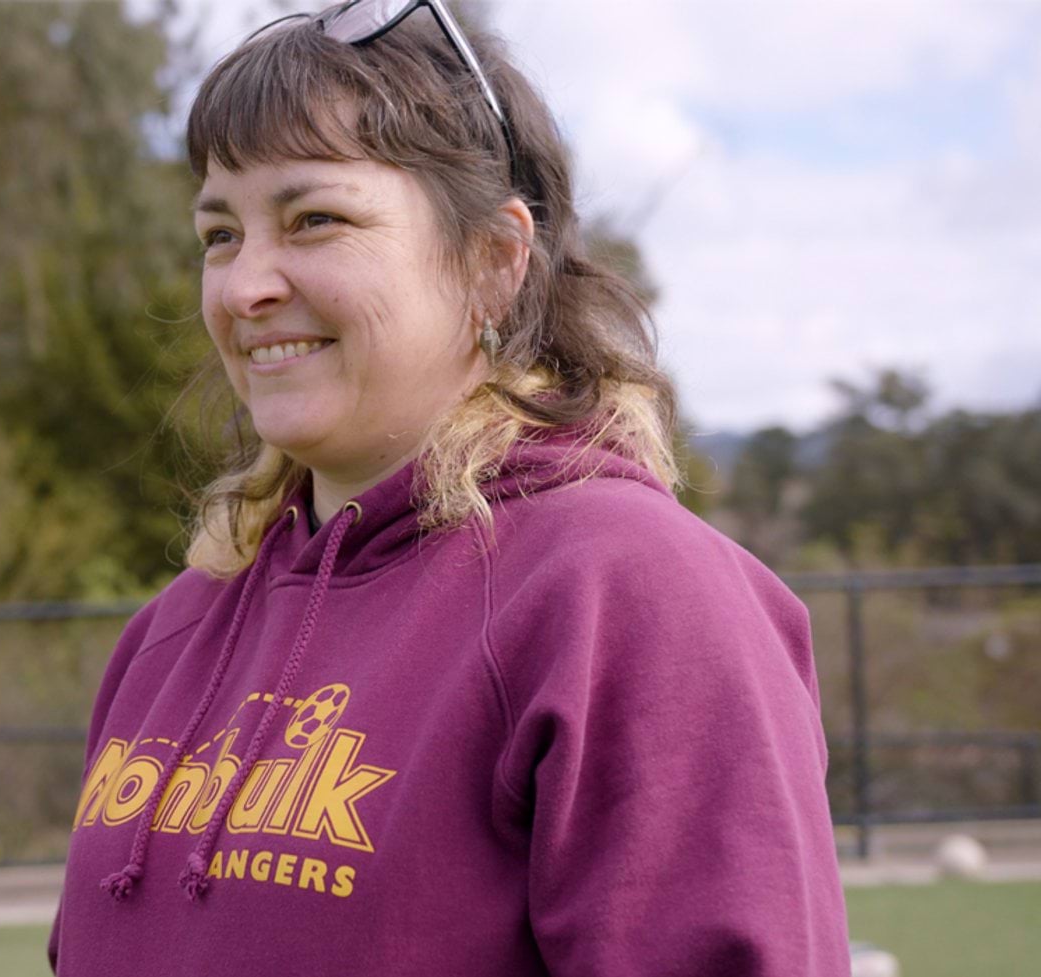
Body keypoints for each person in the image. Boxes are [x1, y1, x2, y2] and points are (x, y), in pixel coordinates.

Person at [47, 1, 851, 974]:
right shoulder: (176, 628)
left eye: (315, 219)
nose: (243, 285)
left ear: (494, 261)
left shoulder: (629, 591)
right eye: (220, 234)